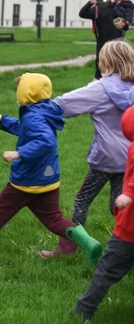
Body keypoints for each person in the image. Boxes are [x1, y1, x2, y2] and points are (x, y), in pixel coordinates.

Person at [0, 73, 103, 267]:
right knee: (55, 219)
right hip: (48, 180)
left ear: (26, 94)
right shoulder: (43, 110)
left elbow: (45, 141)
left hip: (26, 181)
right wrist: (3, 119)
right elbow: (25, 129)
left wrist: (19, 154)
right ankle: (88, 242)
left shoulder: (33, 116)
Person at [40, 39, 134, 259]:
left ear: (105, 62)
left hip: (106, 158)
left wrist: (35, 106)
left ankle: (66, 249)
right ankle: (125, 250)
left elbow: (64, 105)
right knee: (118, 205)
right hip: (129, 158)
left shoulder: (101, 88)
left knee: (82, 201)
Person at [75, 105, 134, 321]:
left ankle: (84, 308)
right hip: (129, 225)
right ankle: (84, 308)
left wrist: (128, 194)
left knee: (107, 269)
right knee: (109, 268)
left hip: (128, 228)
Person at [79, 0, 124, 79]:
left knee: (117, 66)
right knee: (100, 66)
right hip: (102, 43)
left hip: (116, 42)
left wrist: (123, 24)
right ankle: (97, 84)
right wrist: (90, 2)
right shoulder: (95, 9)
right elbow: (82, 14)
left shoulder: (116, 8)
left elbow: (126, 22)